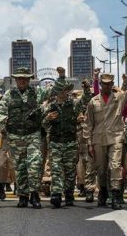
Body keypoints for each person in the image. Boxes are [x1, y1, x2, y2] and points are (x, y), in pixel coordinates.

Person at [84, 71, 127, 210]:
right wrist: (89, 144)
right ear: (101, 85)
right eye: (104, 84)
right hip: (98, 139)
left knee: (114, 166)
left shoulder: (119, 97)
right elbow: (88, 124)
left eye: (109, 84)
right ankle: (102, 191)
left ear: (113, 84)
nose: (107, 86)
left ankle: (115, 195)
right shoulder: (93, 101)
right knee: (101, 169)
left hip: (116, 138)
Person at [0, 67, 43, 209]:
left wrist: (62, 77)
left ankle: (34, 194)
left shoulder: (37, 93)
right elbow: (1, 111)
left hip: (33, 134)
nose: (22, 80)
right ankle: (23, 195)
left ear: (29, 80)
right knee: (20, 167)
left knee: (34, 164)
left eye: (25, 78)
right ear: (16, 80)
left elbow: (55, 92)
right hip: (15, 136)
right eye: (19, 78)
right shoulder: (9, 94)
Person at [43, 76, 91, 208]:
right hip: (55, 142)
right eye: (61, 90)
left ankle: (69, 193)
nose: (64, 92)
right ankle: (57, 194)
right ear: (57, 91)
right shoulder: (50, 107)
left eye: (65, 90)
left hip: (70, 142)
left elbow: (86, 100)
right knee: (56, 169)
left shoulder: (73, 105)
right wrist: (47, 118)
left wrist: (86, 88)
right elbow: (43, 124)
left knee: (70, 171)